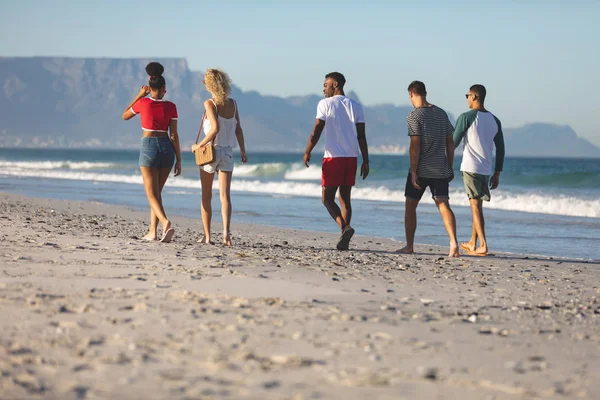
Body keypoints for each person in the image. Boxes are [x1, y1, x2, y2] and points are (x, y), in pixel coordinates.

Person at [303, 72, 369, 250]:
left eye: (326, 85)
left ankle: (345, 228)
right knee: (345, 199)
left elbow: (317, 128)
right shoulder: (356, 105)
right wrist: (366, 160)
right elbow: (361, 136)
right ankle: (344, 240)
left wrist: (308, 150)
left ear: (336, 84)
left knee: (327, 199)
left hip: (333, 158)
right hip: (351, 158)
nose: (323, 89)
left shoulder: (325, 104)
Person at [397, 81, 459, 257]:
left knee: (410, 206)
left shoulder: (414, 116)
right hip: (440, 168)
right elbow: (450, 141)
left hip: (422, 169)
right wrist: (450, 165)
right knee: (444, 204)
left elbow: (415, 145)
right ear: (425, 92)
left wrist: (414, 170)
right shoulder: (441, 113)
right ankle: (454, 243)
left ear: (411, 94)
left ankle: (409, 246)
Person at [122, 62, 181, 243]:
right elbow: (174, 135)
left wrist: (139, 95)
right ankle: (152, 232)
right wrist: (179, 159)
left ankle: (165, 223)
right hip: (166, 148)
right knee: (157, 193)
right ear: (162, 88)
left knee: (151, 194)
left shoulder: (143, 103)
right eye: (165, 89)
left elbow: (124, 115)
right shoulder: (171, 106)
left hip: (148, 146)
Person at [192, 68, 247, 246]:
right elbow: (238, 129)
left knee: (206, 195)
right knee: (225, 196)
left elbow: (215, 128)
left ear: (210, 85)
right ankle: (226, 233)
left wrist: (198, 145)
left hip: (211, 152)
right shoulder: (234, 104)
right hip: (228, 152)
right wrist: (243, 151)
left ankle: (207, 236)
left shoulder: (210, 103)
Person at [453, 84, 505, 256]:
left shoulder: (466, 117)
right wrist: (497, 172)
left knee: (474, 206)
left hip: (470, 168)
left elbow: (453, 142)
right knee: (478, 207)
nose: (467, 98)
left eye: (467, 95)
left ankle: (483, 244)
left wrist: (444, 162)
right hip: (485, 169)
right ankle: (472, 242)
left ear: (474, 97)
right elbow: (501, 149)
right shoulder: (495, 120)